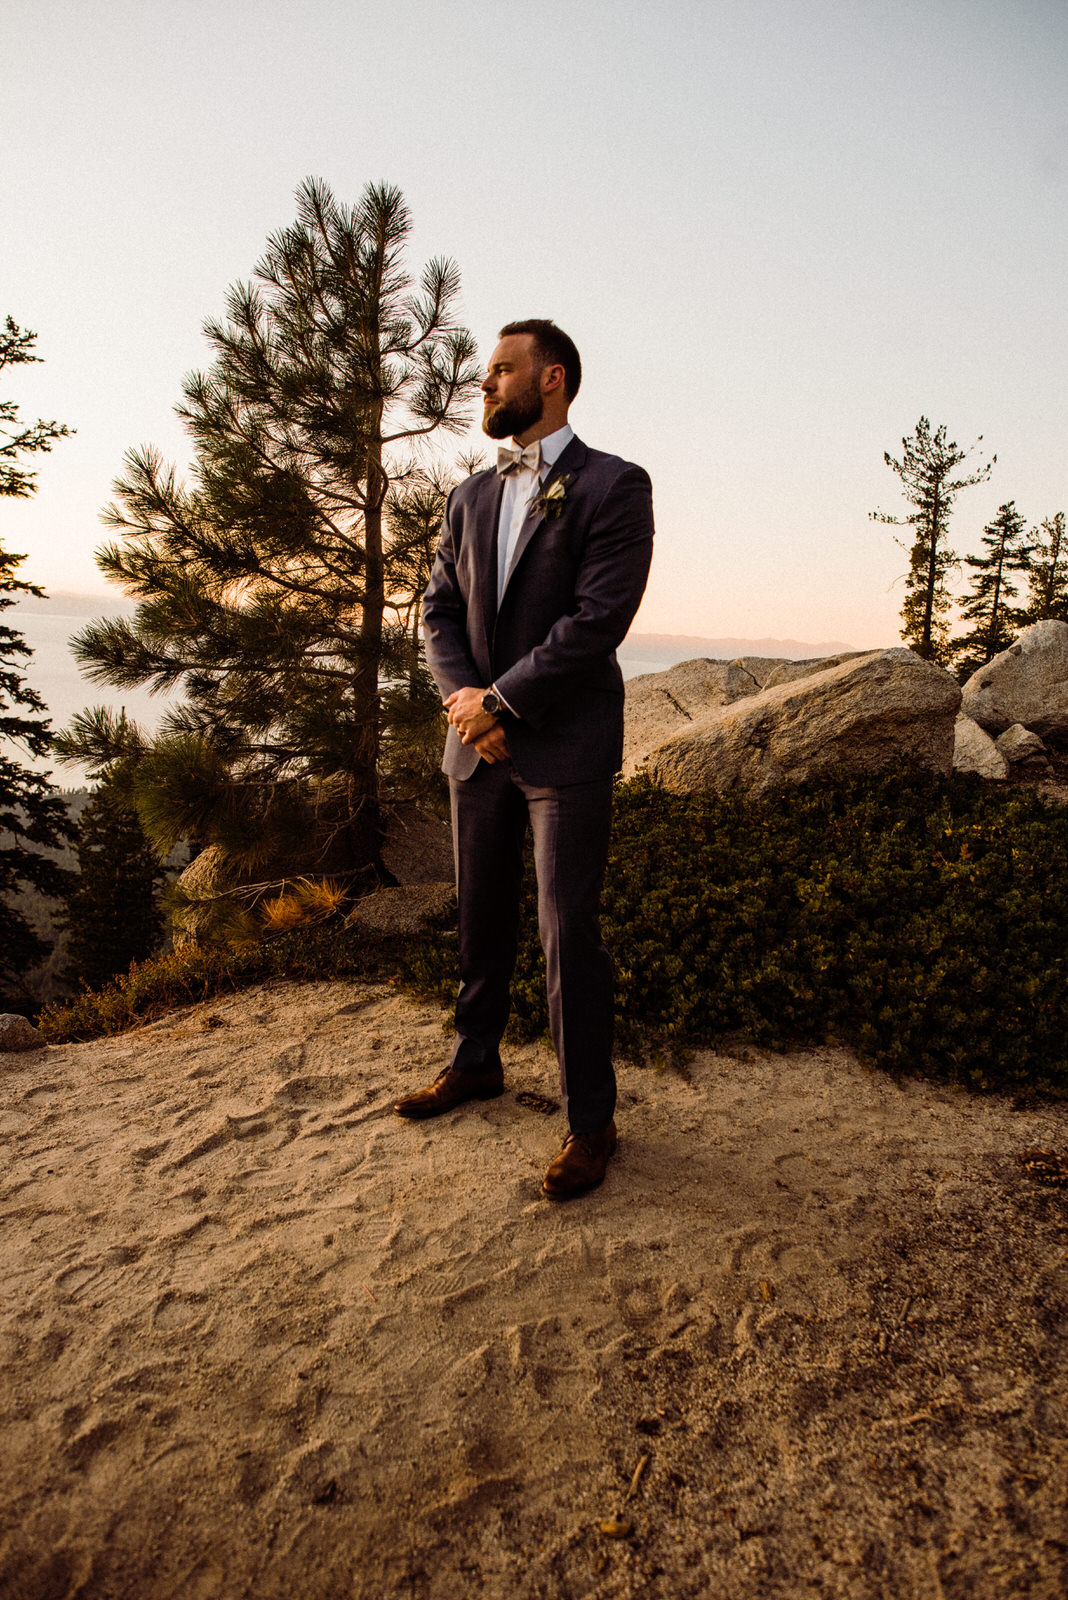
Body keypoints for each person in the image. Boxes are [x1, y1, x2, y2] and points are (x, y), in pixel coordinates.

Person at [394, 319, 655, 1199]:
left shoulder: (615, 486)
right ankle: (476, 1062)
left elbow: (598, 620)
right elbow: (437, 614)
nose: (484, 385)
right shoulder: (468, 497)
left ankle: (591, 1121)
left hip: (565, 746)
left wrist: (503, 702)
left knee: (564, 932)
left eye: (499, 371)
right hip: (478, 745)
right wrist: (469, 709)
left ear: (551, 379)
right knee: (481, 918)